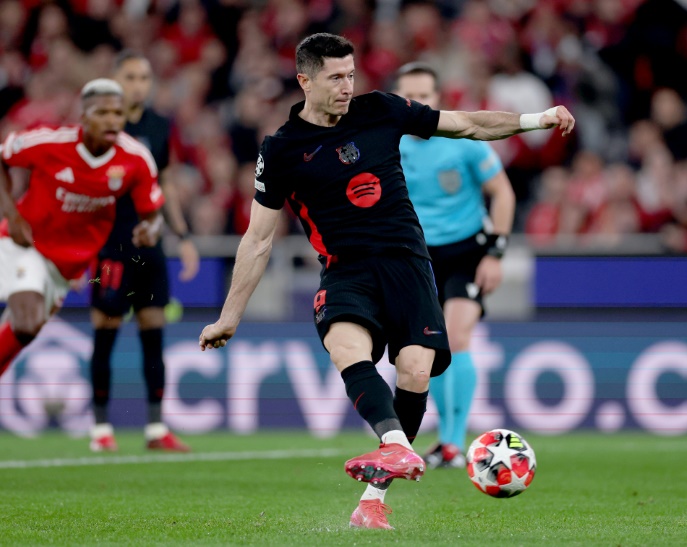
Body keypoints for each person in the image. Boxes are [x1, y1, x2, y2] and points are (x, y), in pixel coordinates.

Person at [198, 33, 574, 530]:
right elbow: (258, 239)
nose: (347, 86)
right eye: (335, 77)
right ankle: (396, 447)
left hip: (407, 263)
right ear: (304, 80)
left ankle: (373, 500)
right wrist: (230, 314)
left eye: (351, 74)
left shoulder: (381, 110)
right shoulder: (283, 150)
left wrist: (535, 119)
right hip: (346, 268)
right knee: (345, 348)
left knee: (416, 371)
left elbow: (465, 124)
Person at [0, 79, 164, 385]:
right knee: (25, 322)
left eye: (118, 113)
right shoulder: (49, 142)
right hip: (26, 244)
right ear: (84, 115)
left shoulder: (136, 159)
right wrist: (11, 213)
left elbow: (153, 215)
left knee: (27, 331)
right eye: (102, 113)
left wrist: (149, 231)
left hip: (67, 266)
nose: (112, 120)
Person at [394, 62, 515, 469]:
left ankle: (450, 443)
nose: (418, 103)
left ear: (437, 98)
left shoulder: (464, 138)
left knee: (457, 336)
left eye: (425, 96)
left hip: (466, 251)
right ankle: (445, 442)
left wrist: (495, 253)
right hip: (418, 256)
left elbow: (502, 193)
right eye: (410, 97)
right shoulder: (389, 144)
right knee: (432, 346)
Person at [88, 51, 199, 454]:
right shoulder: (100, 127)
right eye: (131, 76)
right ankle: (101, 429)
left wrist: (182, 235)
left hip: (150, 246)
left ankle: (155, 429)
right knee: (106, 333)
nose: (139, 84)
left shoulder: (158, 125)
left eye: (145, 77)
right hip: (110, 246)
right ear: (115, 80)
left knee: (154, 333)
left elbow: (165, 182)